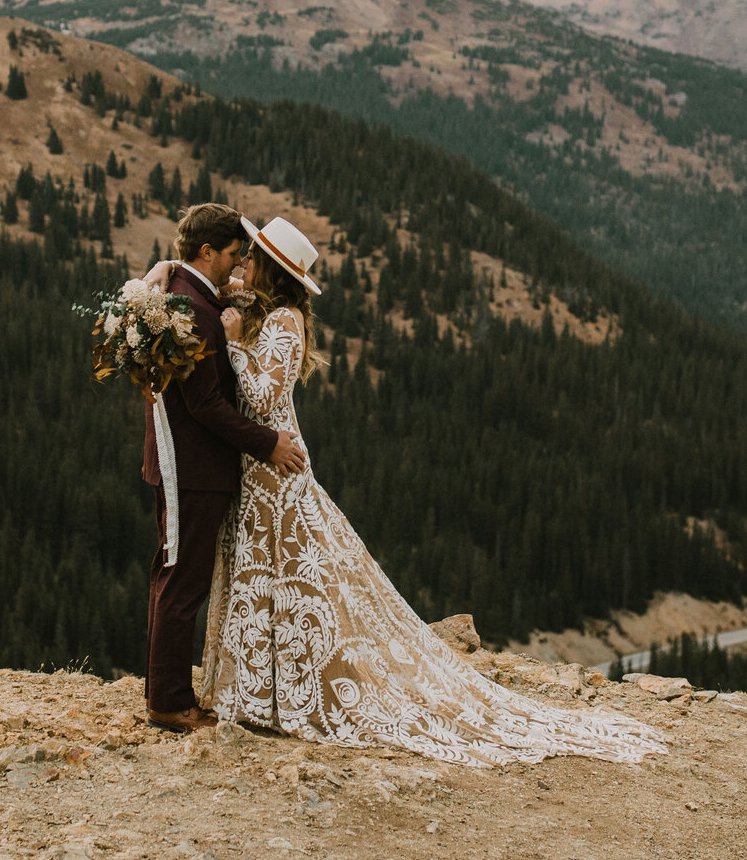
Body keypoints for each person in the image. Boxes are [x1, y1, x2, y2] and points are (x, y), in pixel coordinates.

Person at [169, 211, 661, 767]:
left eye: (252, 258)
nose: (243, 265)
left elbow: (261, 398)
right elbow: (211, 290)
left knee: (289, 582)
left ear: (272, 271)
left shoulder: (284, 322)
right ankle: (261, 691)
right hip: (256, 472)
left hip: (275, 473)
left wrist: (232, 345)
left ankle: (279, 692)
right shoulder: (269, 311)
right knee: (264, 579)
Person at [139, 203, 308, 734]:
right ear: (207, 252)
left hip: (189, 465)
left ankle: (168, 692)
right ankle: (169, 702)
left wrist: (164, 267)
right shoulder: (193, 308)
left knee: (172, 577)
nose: (239, 267)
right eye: (234, 254)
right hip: (194, 466)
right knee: (182, 583)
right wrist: (268, 444)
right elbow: (206, 404)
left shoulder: (187, 294)